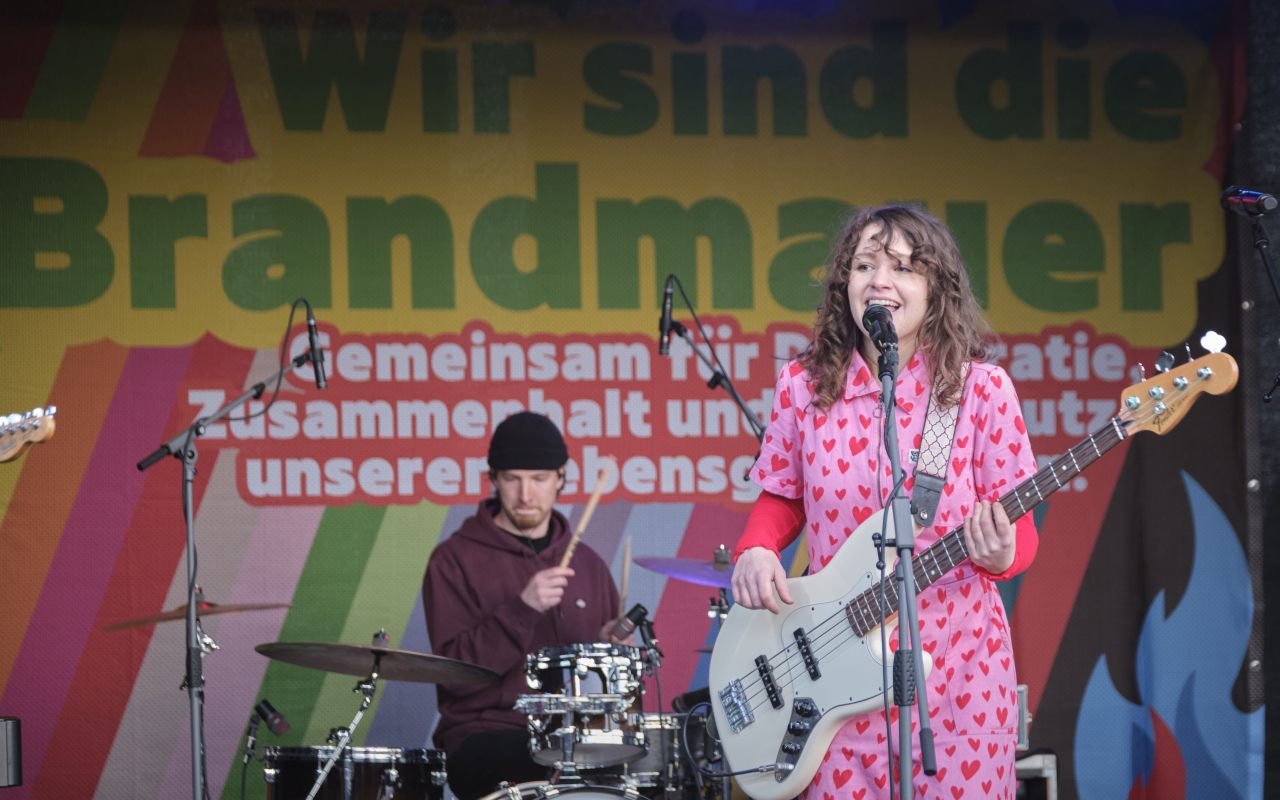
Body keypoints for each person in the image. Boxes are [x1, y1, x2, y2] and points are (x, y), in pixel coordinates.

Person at [731, 204, 1038, 799]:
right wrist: (757, 548)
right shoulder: (804, 385)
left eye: (903, 268)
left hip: (959, 679)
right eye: (865, 265)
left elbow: (1018, 533)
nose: (880, 281)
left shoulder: (980, 390)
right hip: (835, 674)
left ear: (936, 288)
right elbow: (782, 495)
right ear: (843, 283)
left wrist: (1003, 555)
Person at [422, 411, 624, 800]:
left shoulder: (589, 565)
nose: (526, 495)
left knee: (651, 761)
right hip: (485, 733)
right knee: (558, 757)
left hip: (572, 734)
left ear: (561, 478)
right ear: (494, 479)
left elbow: (607, 691)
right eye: (513, 479)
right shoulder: (453, 560)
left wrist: (610, 651)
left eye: (539, 479)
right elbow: (454, 677)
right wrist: (522, 608)